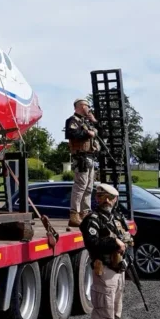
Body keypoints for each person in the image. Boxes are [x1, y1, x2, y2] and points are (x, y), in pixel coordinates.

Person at [80, 182, 134, 319]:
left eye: (109, 197)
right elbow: (92, 243)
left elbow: (128, 239)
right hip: (104, 269)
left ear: (115, 199)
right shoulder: (92, 219)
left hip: (119, 268)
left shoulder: (117, 217)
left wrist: (128, 254)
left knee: (115, 309)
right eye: (101, 197)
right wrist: (114, 243)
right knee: (104, 308)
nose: (105, 200)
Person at [64, 98, 98, 228]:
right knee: (80, 185)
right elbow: (72, 134)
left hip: (90, 156)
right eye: (86, 106)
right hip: (81, 157)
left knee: (89, 187)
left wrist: (94, 121)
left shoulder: (87, 121)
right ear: (80, 106)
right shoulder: (72, 120)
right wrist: (88, 133)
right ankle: (74, 214)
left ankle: (85, 212)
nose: (88, 108)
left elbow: (99, 132)